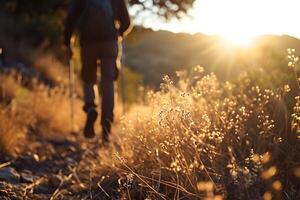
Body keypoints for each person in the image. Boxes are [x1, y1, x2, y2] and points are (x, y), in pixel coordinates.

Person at [64, 0, 131, 143]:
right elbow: (126, 21)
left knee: (89, 78)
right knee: (108, 82)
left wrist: (68, 43)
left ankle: (90, 108)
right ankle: (106, 126)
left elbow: (71, 19)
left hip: (88, 42)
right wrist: (118, 34)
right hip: (110, 43)